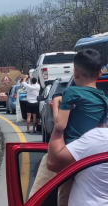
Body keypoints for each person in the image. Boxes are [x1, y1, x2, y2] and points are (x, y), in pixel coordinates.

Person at [29, 48, 108, 205]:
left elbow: (60, 124)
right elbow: (100, 128)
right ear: (100, 73)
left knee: (39, 191)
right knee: (66, 194)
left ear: (75, 73)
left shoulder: (71, 92)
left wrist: (56, 104)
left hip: (68, 149)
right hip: (88, 157)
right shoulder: (104, 99)